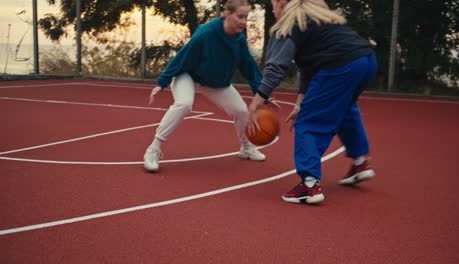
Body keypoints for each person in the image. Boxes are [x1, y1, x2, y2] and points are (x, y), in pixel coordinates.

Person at [247, 0, 377, 204]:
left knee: (307, 123)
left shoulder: (288, 24)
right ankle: (360, 162)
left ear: (282, 3)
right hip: (366, 61)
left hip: (340, 66)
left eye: (273, 4)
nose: (273, 9)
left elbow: (275, 68)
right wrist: (300, 103)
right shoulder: (318, 18)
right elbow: (310, 68)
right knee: (345, 108)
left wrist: (255, 105)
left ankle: (309, 185)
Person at [144, 0, 279, 172]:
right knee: (184, 103)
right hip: (188, 75)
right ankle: (153, 149)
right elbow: (182, 57)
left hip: (216, 83)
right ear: (227, 14)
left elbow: (250, 68)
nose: (243, 22)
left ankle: (246, 147)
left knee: (241, 111)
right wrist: (162, 82)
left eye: (246, 17)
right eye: (240, 16)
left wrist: (264, 94)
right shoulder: (206, 33)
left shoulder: (239, 40)